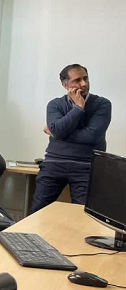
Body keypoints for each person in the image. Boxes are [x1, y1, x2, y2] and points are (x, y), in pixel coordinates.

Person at [30, 64, 112, 213]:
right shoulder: (55, 104)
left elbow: (92, 136)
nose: (84, 84)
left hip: (87, 165)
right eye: (77, 80)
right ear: (65, 84)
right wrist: (78, 108)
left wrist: (58, 134)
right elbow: (58, 130)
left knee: (84, 214)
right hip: (55, 162)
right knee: (38, 210)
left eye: (86, 78)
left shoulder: (102, 104)